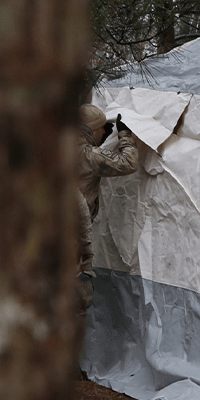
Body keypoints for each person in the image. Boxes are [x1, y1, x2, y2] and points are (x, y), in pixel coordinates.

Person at [76, 104, 140, 313]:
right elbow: (128, 162)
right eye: (103, 129)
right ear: (92, 131)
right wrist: (124, 134)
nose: (106, 133)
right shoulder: (85, 154)